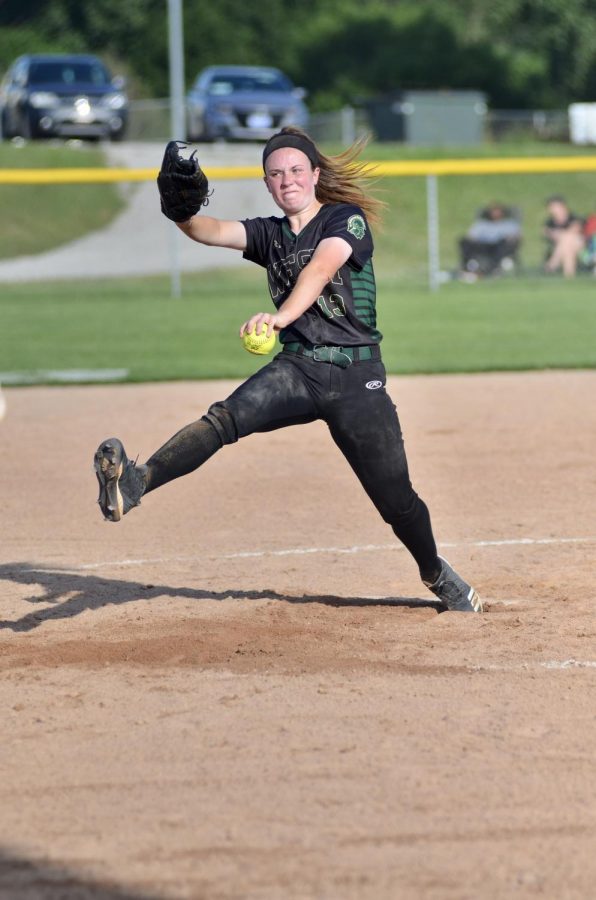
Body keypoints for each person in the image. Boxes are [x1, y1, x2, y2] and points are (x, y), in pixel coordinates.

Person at [93, 127, 482, 613]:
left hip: (357, 377)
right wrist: (180, 211)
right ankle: (134, 483)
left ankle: (436, 573)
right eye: (276, 174)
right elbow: (206, 231)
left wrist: (279, 317)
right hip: (298, 369)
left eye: (297, 170)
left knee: (396, 501)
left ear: (316, 175)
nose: (287, 180)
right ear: (267, 183)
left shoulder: (347, 220)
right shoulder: (268, 233)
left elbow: (320, 271)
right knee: (224, 419)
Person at [458, 203, 522, 280]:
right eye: (494, 211)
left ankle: (492, 270)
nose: (496, 214)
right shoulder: (482, 224)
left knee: (503, 245)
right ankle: (467, 269)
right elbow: (471, 236)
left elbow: (517, 236)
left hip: (500, 245)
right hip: (483, 245)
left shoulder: (509, 224)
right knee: (464, 242)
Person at [543, 195, 585, 278]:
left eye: (554, 206)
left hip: (581, 247)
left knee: (568, 238)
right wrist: (559, 234)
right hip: (566, 246)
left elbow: (575, 230)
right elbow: (545, 232)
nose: (552, 209)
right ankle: (569, 276)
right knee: (568, 246)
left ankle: (552, 264)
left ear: (562, 206)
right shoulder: (550, 221)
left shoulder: (573, 217)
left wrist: (558, 234)